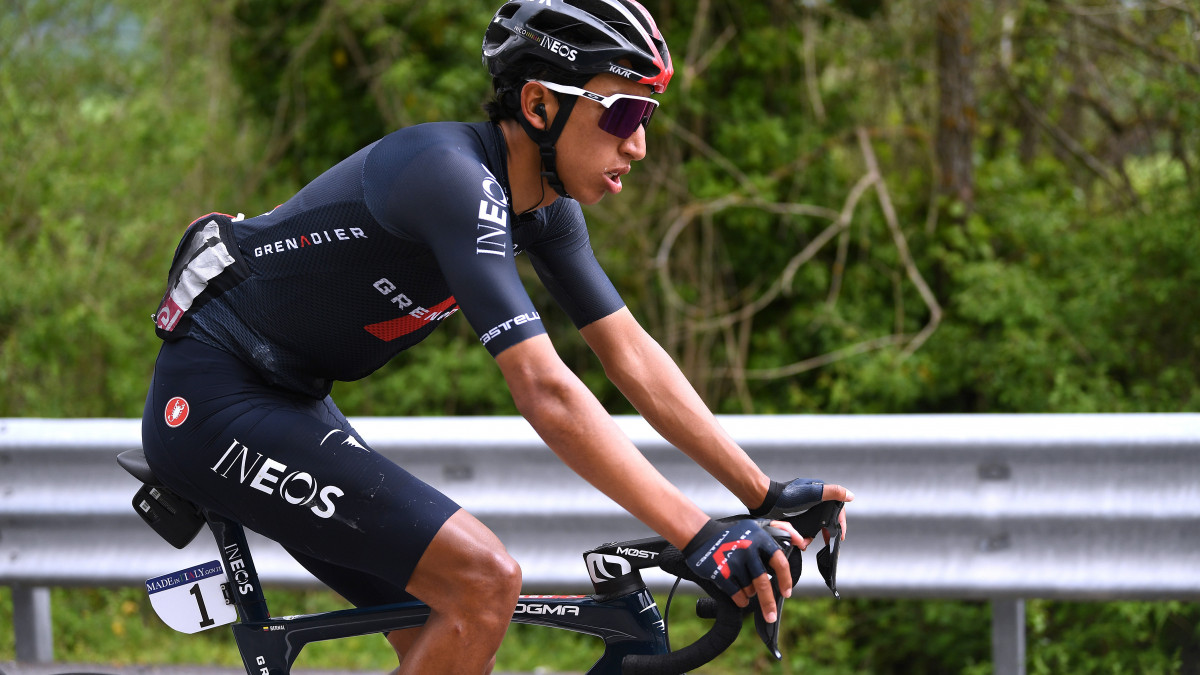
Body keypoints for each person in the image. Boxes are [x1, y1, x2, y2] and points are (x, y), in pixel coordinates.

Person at [142, 1, 853, 673]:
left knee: (449, 629)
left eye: (649, 115)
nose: (638, 144)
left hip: (289, 401)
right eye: (624, 112)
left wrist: (761, 492)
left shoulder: (543, 210)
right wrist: (698, 533)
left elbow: (629, 354)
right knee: (484, 579)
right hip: (212, 403)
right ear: (541, 104)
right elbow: (544, 388)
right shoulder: (449, 177)